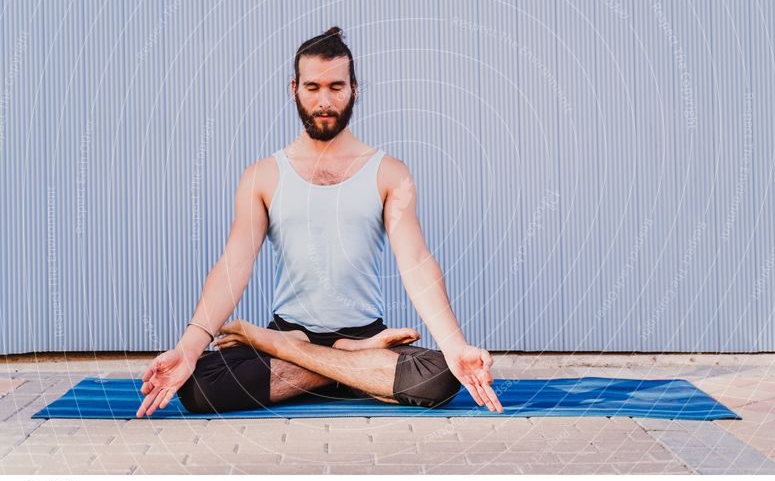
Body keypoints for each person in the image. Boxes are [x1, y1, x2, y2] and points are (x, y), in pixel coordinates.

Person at [136, 27, 503, 418]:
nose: (324, 101)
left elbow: (415, 262)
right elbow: (234, 265)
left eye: (336, 87)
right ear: (294, 88)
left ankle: (300, 352)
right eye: (313, 87)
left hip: (362, 333)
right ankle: (349, 365)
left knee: (442, 375)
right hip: (292, 327)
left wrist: (455, 344)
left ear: (354, 89)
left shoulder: (389, 173)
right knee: (197, 386)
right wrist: (189, 347)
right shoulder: (263, 176)